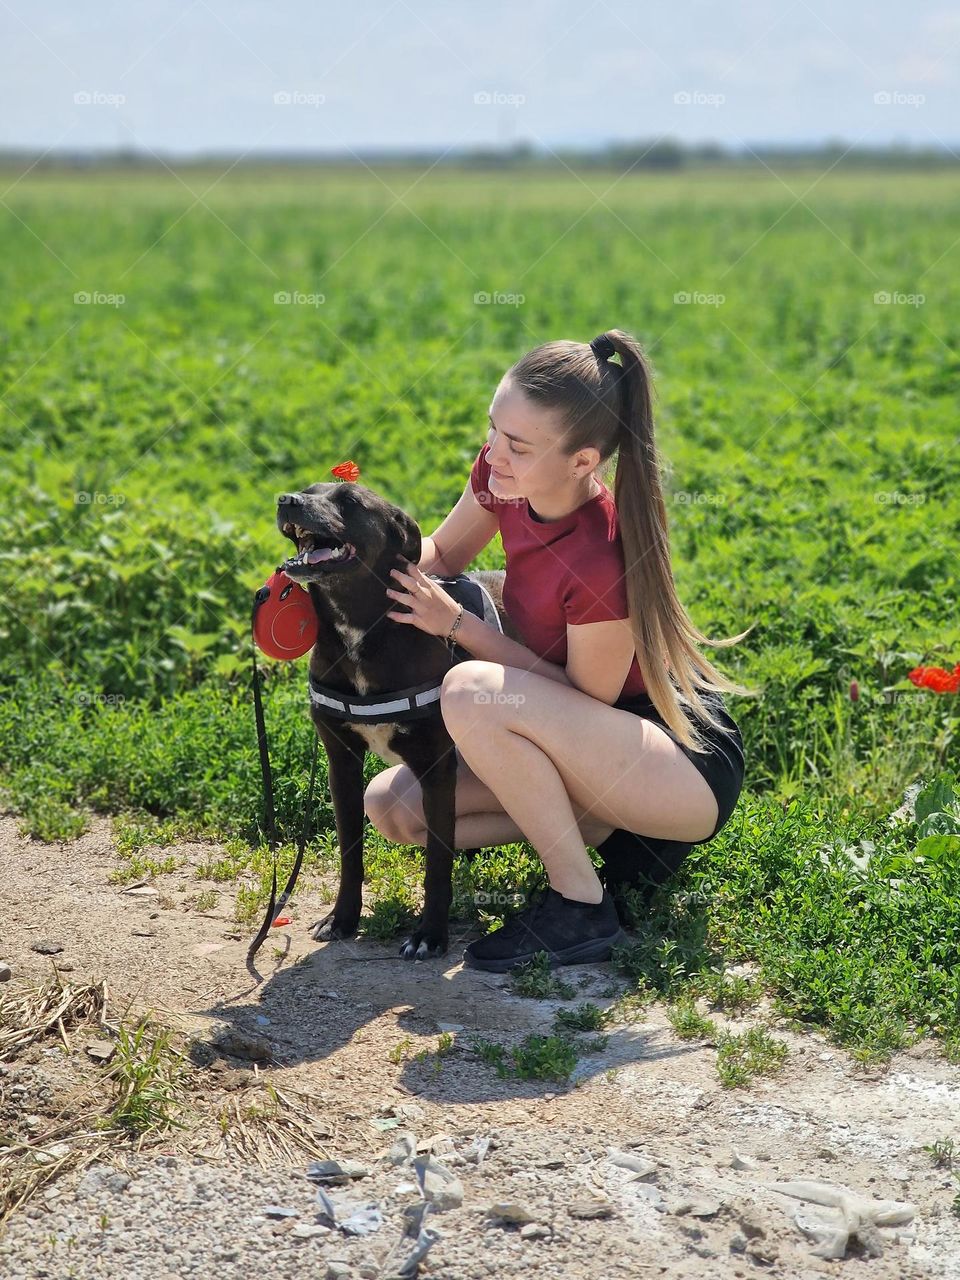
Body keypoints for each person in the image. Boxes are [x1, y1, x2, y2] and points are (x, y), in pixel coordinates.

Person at [366, 329, 758, 973]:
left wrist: (458, 625)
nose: (495, 453)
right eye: (493, 430)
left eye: (518, 445)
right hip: (595, 759)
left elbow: (584, 699)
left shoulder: (601, 556)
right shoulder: (501, 479)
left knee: (472, 692)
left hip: (675, 761)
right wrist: (352, 566)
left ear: (582, 462)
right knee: (394, 809)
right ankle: (602, 832)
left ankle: (580, 905)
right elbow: (442, 555)